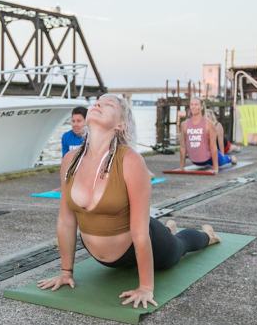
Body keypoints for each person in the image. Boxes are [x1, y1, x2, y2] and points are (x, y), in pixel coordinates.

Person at [38, 94, 220, 308]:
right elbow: (66, 221)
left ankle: (208, 236)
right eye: (97, 101)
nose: (98, 104)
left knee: (180, 247)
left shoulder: (130, 161)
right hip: (103, 257)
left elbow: (140, 233)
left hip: (139, 242)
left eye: (109, 104)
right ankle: (169, 228)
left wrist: (145, 287)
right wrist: (65, 272)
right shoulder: (70, 161)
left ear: (121, 125)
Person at [179, 97, 236, 174]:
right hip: (197, 161)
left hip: (210, 157)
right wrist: (181, 168)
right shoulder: (184, 124)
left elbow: (213, 147)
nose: (193, 106)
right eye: (191, 104)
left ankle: (231, 158)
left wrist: (215, 169)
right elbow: (183, 147)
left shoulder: (208, 124)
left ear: (201, 107)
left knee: (226, 159)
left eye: (196, 104)